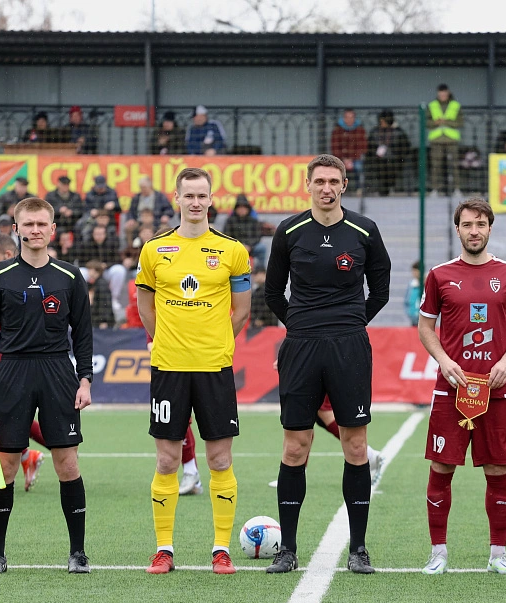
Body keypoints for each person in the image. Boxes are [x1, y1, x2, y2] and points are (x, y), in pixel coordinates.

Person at [264, 154, 391, 575]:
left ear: (344, 186)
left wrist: (350, 323)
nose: (326, 188)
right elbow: (272, 292)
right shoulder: (289, 231)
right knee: (295, 446)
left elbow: (380, 289)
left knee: (355, 445)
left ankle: (359, 549)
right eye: (319, 181)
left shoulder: (364, 231)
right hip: (301, 346)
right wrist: (300, 325)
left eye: (334, 181)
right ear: (308, 185)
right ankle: (287, 550)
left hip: (349, 346)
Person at [135, 167, 251, 575]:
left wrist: (215, 341)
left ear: (211, 199)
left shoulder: (232, 250)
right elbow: (145, 306)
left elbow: (242, 310)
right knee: (168, 460)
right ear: (177, 198)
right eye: (189, 195)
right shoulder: (154, 250)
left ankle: (221, 549)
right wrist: (166, 339)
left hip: (214, 367)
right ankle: (164, 549)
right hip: (168, 367)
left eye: (202, 195)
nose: (196, 202)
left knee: (219, 458)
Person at [0, 197, 94, 574]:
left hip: (58, 371)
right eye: (28, 224)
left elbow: (83, 333)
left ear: (53, 230)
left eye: (42, 224)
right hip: (13, 371)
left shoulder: (70, 276)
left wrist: (85, 379)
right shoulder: (0, 274)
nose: (35, 230)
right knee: (5, 465)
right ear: (16, 229)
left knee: (67, 463)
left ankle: (78, 553)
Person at [417, 198, 506, 576]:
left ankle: (498, 554)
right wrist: (444, 361)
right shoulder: (439, 275)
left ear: (490, 228)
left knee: (497, 469)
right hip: (451, 389)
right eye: (467, 224)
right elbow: (425, 327)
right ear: (458, 230)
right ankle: (438, 553)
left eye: (481, 224)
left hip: (496, 389)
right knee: (441, 466)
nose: (474, 231)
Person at [0, 232, 48, 491]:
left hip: (5, 358)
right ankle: (27, 456)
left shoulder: (9, 277)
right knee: (4, 415)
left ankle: (57, 446)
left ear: (7, 255)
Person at [427, 84, 463, 195]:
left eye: (444, 94)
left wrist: (446, 122)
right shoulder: (432, 105)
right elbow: (426, 122)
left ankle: (457, 189)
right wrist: (436, 123)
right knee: (436, 166)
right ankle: (435, 189)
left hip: (451, 140)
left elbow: (460, 122)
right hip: (436, 140)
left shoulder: (455, 105)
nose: (442, 96)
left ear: (448, 93)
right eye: (440, 94)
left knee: (454, 165)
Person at [365, 110, 410, 196]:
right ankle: (382, 190)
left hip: (394, 159)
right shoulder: (375, 131)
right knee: (380, 166)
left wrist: (395, 154)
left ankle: (389, 188)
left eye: (384, 121)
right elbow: (370, 147)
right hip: (378, 159)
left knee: (390, 167)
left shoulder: (398, 132)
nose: (382, 123)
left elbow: (405, 148)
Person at [330, 109, 367, 184]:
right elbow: (335, 147)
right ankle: (340, 187)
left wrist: (351, 158)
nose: (349, 120)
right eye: (347, 117)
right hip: (341, 158)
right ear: (344, 118)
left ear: (354, 118)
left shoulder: (360, 130)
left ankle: (359, 188)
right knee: (336, 169)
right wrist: (344, 159)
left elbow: (362, 147)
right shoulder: (337, 130)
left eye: (351, 117)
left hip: (356, 158)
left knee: (359, 167)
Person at [404, 261, 422, 326]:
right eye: (413, 271)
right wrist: (409, 312)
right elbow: (407, 300)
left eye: (415, 271)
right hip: (413, 317)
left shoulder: (427, 284)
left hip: (424, 318)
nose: (413, 273)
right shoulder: (411, 284)